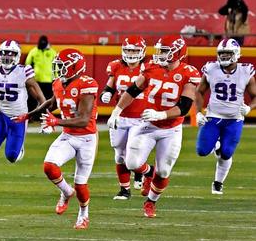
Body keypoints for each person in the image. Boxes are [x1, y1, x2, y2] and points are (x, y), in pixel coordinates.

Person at [107, 36, 201, 218]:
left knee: (164, 170)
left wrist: (162, 114)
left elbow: (184, 106)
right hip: (148, 124)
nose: (161, 54)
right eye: (160, 50)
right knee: (131, 162)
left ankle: (150, 202)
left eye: (165, 51)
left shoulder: (189, 73)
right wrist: (116, 111)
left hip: (171, 129)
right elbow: (132, 90)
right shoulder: (151, 68)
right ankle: (147, 175)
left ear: (178, 53)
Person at [23, 49, 98, 230]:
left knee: (81, 185)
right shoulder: (59, 83)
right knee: (49, 166)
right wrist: (28, 115)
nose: (57, 70)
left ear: (74, 68)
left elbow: (83, 119)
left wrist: (56, 121)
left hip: (87, 138)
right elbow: (51, 103)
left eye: (61, 66)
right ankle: (66, 192)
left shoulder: (87, 84)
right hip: (68, 136)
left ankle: (83, 215)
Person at [0, 41, 46, 193]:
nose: (6, 56)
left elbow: (38, 94)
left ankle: (20, 148)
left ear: (17, 55)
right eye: (4, 52)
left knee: (12, 156)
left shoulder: (24, 71)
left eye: (10, 53)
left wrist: (45, 116)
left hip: (18, 118)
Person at [194, 39, 255, 195]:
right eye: (222, 53)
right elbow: (199, 91)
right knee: (202, 151)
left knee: (227, 152)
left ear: (236, 54)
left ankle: (218, 183)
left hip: (234, 119)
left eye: (228, 53)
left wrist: (249, 107)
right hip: (213, 116)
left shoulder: (245, 71)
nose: (224, 57)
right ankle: (216, 144)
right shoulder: (211, 68)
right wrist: (199, 112)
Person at [102, 36, 149, 199]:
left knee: (133, 156)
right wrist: (106, 94)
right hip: (120, 117)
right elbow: (109, 86)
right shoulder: (115, 66)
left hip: (141, 117)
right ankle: (124, 190)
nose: (131, 53)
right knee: (119, 154)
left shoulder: (148, 68)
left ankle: (146, 173)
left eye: (135, 50)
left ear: (142, 52)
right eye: (128, 50)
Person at [25, 36, 57, 107]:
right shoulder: (34, 51)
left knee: (47, 100)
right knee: (33, 99)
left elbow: (56, 66)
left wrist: (56, 78)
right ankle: (32, 115)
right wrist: (30, 76)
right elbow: (28, 63)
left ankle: (45, 115)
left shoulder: (52, 52)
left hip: (49, 81)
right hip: (37, 80)